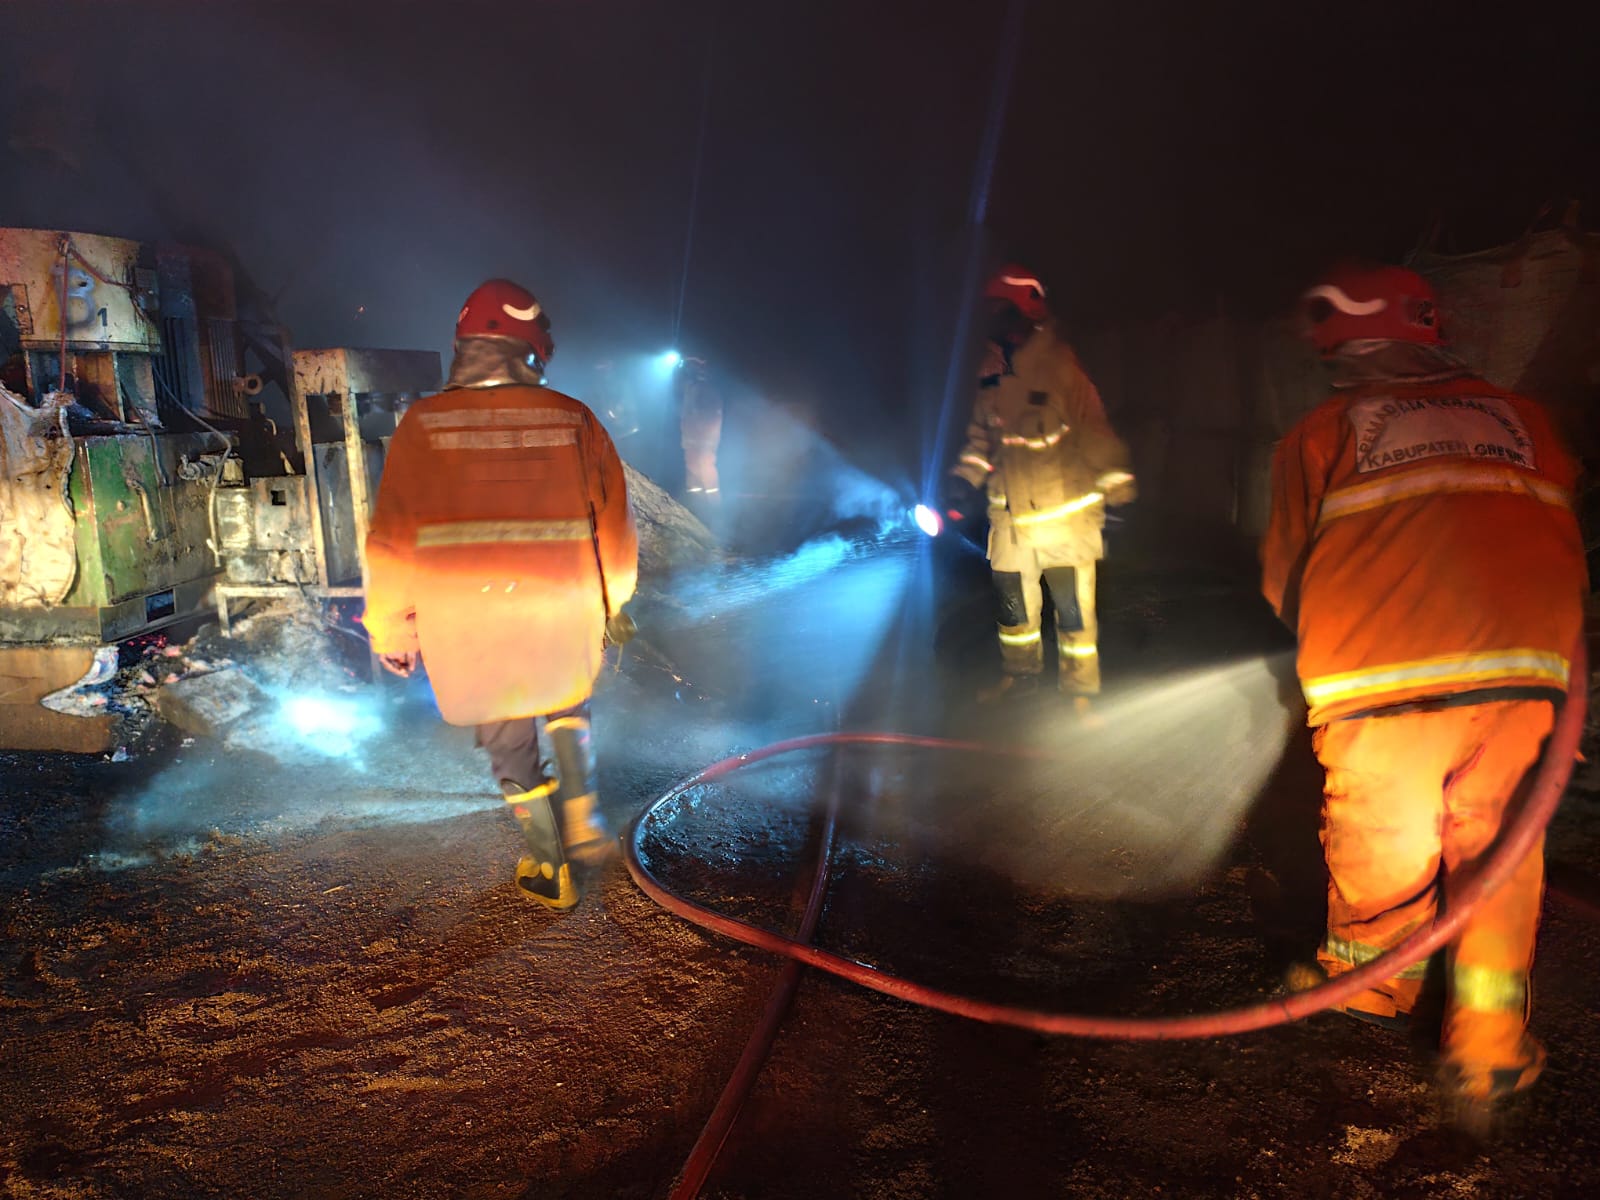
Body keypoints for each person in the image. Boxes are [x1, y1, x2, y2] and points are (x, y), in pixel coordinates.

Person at [1262, 262, 1587, 1128]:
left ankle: (1372, 985)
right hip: (1527, 674)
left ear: (1346, 352)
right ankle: (1487, 1053)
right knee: (1501, 853)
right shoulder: (1526, 419)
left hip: (1383, 678)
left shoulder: (1326, 428)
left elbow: (1283, 578)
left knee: (1385, 836)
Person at [363, 278, 639, 909]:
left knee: (506, 737)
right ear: (532, 350)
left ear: (466, 348)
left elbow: (392, 545)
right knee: (568, 698)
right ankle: (586, 824)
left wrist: (393, 630)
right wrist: (614, 601)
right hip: (562, 606)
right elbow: (614, 530)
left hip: (466, 620)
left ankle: (550, 868)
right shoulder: (575, 419)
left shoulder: (421, 427)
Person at [945, 264, 1135, 709]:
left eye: (1000, 311)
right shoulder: (990, 371)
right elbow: (980, 440)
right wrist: (962, 480)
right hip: (1008, 524)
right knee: (1014, 614)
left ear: (1023, 313)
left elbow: (1096, 433)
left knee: (1072, 615)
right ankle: (1021, 678)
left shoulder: (1061, 368)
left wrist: (1119, 493)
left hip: (1064, 523)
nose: (993, 322)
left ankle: (1079, 693)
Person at [677, 354, 723, 498]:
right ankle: (694, 499)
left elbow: (710, 414)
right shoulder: (691, 388)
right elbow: (687, 411)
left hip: (703, 437)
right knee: (692, 466)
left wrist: (705, 435)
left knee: (705, 465)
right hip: (692, 436)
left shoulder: (707, 390)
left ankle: (714, 504)